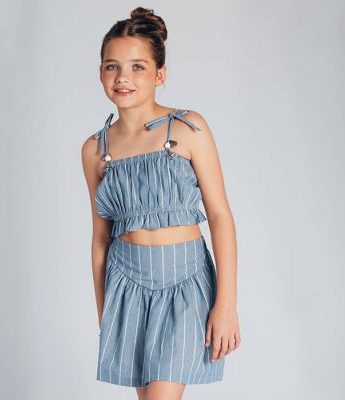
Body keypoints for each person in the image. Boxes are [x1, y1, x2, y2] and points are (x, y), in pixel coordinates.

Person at [81, 6, 241, 400]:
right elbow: (100, 239)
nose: (123, 77)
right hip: (126, 286)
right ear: (100, 73)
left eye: (138, 67)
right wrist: (106, 313)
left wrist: (226, 304)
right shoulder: (95, 150)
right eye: (112, 67)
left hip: (185, 284)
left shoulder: (189, 129)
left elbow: (220, 215)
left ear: (160, 74)